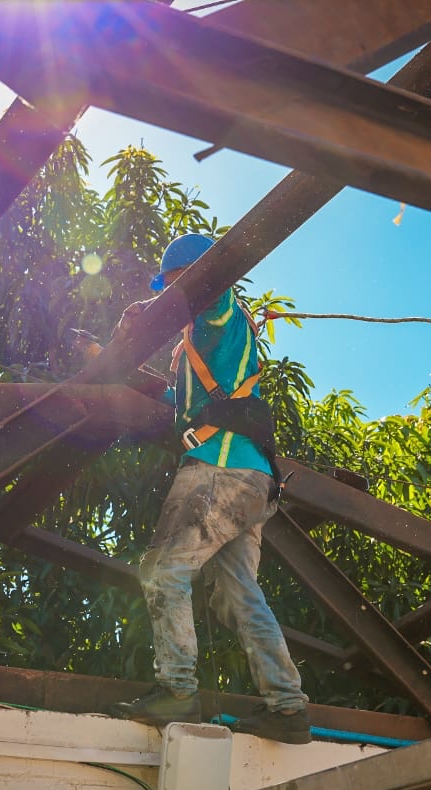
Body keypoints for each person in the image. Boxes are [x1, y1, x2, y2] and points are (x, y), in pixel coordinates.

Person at [106, 233, 312, 745]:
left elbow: (210, 286)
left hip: (219, 469)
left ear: (194, 277)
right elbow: (186, 401)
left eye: (177, 282)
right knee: (240, 594)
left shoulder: (218, 311)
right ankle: (287, 708)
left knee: (162, 570)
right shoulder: (198, 344)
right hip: (253, 479)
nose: (173, 293)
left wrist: (151, 309)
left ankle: (177, 689)